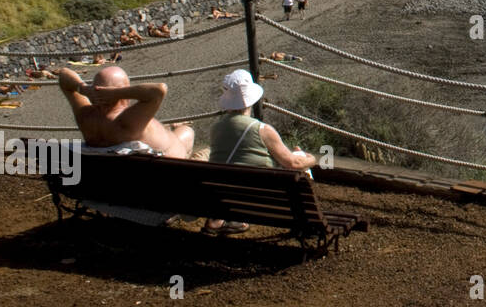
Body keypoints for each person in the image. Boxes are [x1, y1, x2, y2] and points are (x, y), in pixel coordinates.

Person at [203, 70, 320, 235]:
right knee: (299, 158)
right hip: (262, 197)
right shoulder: (262, 130)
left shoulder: (215, 129)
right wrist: (312, 159)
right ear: (251, 99)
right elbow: (293, 164)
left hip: (224, 194)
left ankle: (224, 219)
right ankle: (306, 219)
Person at [56, 66, 194, 158]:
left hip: (109, 178)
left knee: (171, 129)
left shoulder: (86, 116)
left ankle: (171, 127)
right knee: (187, 131)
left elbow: (63, 75)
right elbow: (159, 90)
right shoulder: (126, 121)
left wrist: (84, 88)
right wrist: (117, 93)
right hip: (171, 167)